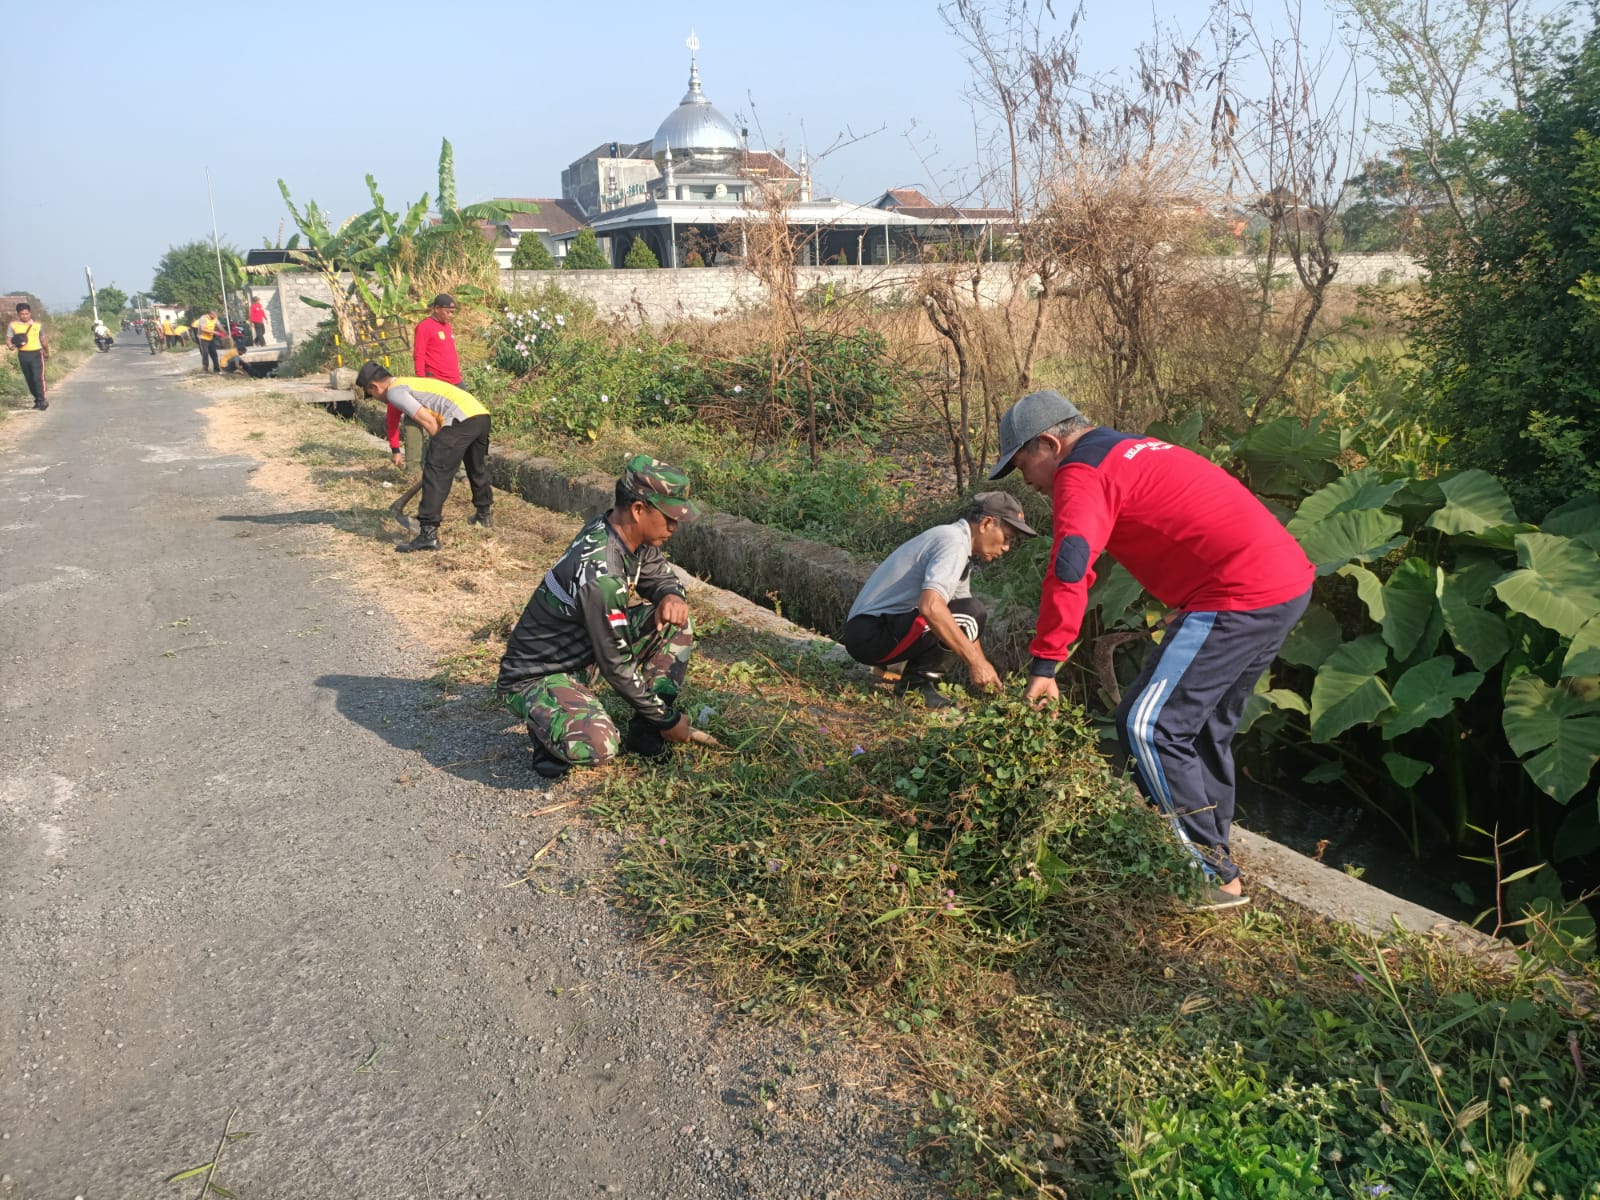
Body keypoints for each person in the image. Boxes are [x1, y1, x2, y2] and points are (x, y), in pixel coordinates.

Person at [990, 389, 1314, 909]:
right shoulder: (1130, 447)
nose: (1025, 480)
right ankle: (1217, 851)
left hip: (1236, 593)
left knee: (1148, 725)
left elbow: (1071, 565)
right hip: (1281, 582)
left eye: (1022, 463)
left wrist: (1046, 663)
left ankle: (1212, 875)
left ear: (1050, 443)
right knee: (1202, 725)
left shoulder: (1081, 471)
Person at [495, 455, 706, 778]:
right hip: (537, 674)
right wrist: (669, 720)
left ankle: (646, 731)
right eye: (669, 517)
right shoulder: (601, 573)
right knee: (599, 744)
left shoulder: (622, 532)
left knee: (674, 623)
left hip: (585, 655)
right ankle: (547, 730)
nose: (674, 527)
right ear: (638, 509)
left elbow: (658, 574)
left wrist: (671, 595)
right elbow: (617, 665)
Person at [840, 491, 1037, 709]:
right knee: (970, 610)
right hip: (870, 635)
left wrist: (985, 669)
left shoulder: (958, 545)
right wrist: (976, 663)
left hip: (870, 631)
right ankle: (916, 684)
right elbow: (931, 606)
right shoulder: (953, 543)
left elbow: (966, 621)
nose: (1007, 548)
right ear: (986, 524)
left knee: (971, 611)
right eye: (1006, 539)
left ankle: (900, 672)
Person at [353, 361, 492, 551]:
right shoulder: (409, 382)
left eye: (373, 395)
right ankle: (484, 515)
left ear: (374, 386)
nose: (377, 399)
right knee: (476, 467)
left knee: (435, 473)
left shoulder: (395, 391)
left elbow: (427, 421)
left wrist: (443, 450)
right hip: (480, 414)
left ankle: (428, 533)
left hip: (459, 419)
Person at [387, 294, 461, 474]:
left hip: (455, 382)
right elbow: (419, 355)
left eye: (452, 312)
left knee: (460, 424)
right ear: (436, 309)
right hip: (434, 382)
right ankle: (414, 467)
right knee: (415, 419)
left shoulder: (447, 326)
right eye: (447, 312)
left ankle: (457, 468)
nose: (450, 315)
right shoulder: (424, 327)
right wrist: (422, 381)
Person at [5, 303, 50, 409]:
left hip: (36, 353)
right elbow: (8, 338)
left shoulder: (37, 325)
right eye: (22, 314)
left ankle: (42, 400)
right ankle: (37, 399)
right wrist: (10, 345)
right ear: (18, 314)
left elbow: (43, 340)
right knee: (29, 378)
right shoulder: (13, 325)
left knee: (38, 377)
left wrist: (47, 352)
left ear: (30, 313)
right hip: (23, 354)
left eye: (27, 314)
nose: (25, 316)